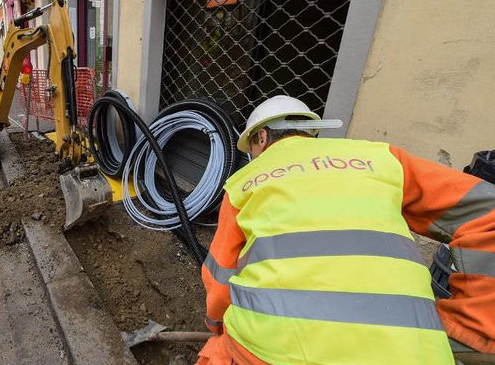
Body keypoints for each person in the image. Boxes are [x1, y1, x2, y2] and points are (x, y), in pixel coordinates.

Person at [198, 95, 495, 364]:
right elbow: (488, 210)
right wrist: (468, 326)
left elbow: (220, 281)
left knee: (218, 353)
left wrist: (216, 328)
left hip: (274, 351)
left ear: (261, 137)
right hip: (413, 352)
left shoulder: (245, 181)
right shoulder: (382, 158)